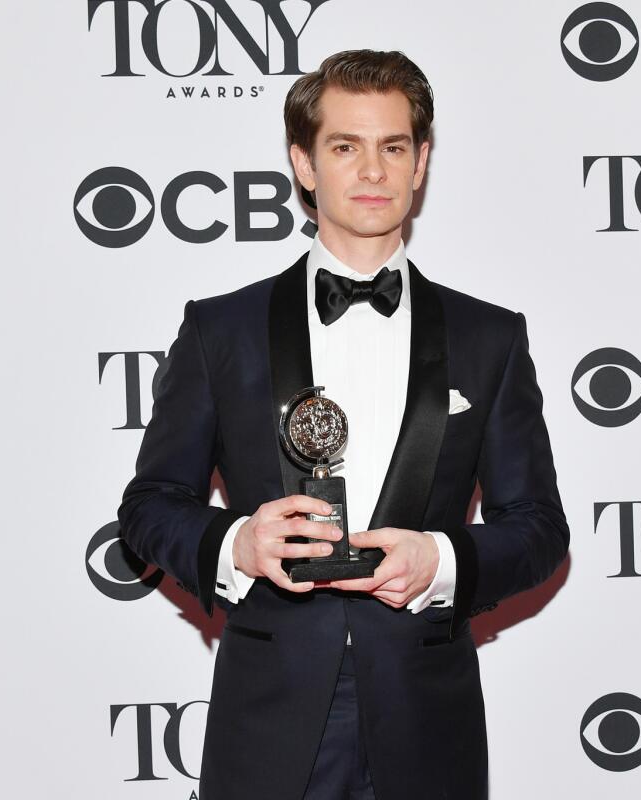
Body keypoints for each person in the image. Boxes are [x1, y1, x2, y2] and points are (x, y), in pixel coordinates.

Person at [118, 49, 569, 800]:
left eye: (393, 147)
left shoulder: (490, 338)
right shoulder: (219, 331)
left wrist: (442, 559)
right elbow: (148, 508)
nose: (372, 171)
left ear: (420, 163)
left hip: (428, 718)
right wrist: (240, 542)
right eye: (344, 147)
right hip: (269, 715)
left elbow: (538, 526)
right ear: (303, 163)